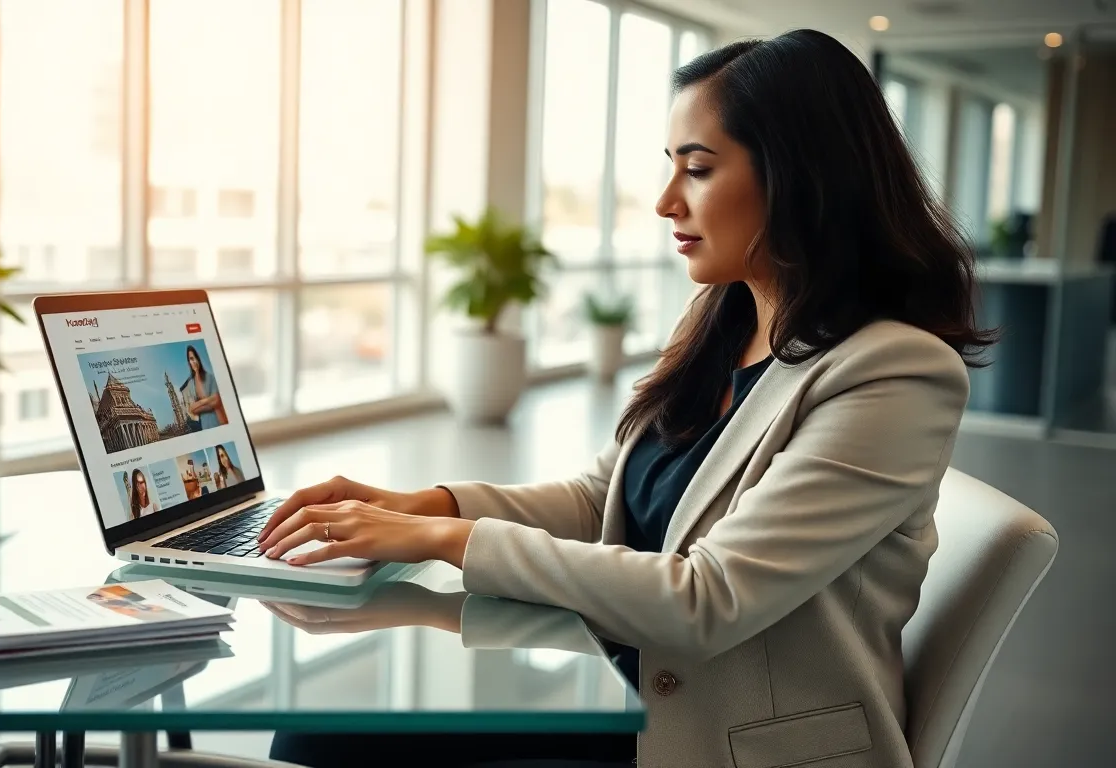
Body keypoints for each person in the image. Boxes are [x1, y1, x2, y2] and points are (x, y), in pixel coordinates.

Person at [255, 29, 994, 768]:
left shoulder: (896, 375)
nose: (667, 201)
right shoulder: (720, 319)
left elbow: (708, 599)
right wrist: (426, 505)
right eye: (670, 168)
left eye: (698, 170)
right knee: (324, 730)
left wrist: (442, 541)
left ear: (800, 177)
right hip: (627, 696)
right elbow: (598, 498)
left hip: (729, 746)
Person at [183, 345, 227, 429]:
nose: (194, 361)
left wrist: (199, 404)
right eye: (191, 359)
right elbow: (192, 409)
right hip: (205, 426)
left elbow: (217, 401)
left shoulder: (210, 377)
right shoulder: (191, 384)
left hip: (218, 422)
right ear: (189, 362)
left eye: (196, 358)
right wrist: (209, 400)